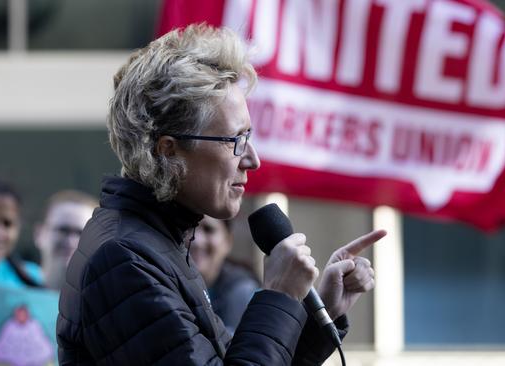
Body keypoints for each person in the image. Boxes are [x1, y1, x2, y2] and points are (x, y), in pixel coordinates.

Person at [57, 24, 386, 365]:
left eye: (249, 136)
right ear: (168, 150)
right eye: (235, 140)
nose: (253, 160)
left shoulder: (157, 242)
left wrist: (320, 314)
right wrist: (279, 294)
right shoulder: (125, 260)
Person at [191, 215, 260, 334]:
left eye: (209, 229)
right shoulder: (169, 283)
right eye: (189, 228)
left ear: (228, 241)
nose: (197, 241)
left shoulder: (243, 292)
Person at [34, 190, 97, 290]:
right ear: (39, 234)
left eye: (81, 233)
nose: (71, 242)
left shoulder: (107, 300)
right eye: (63, 230)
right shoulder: (11, 286)